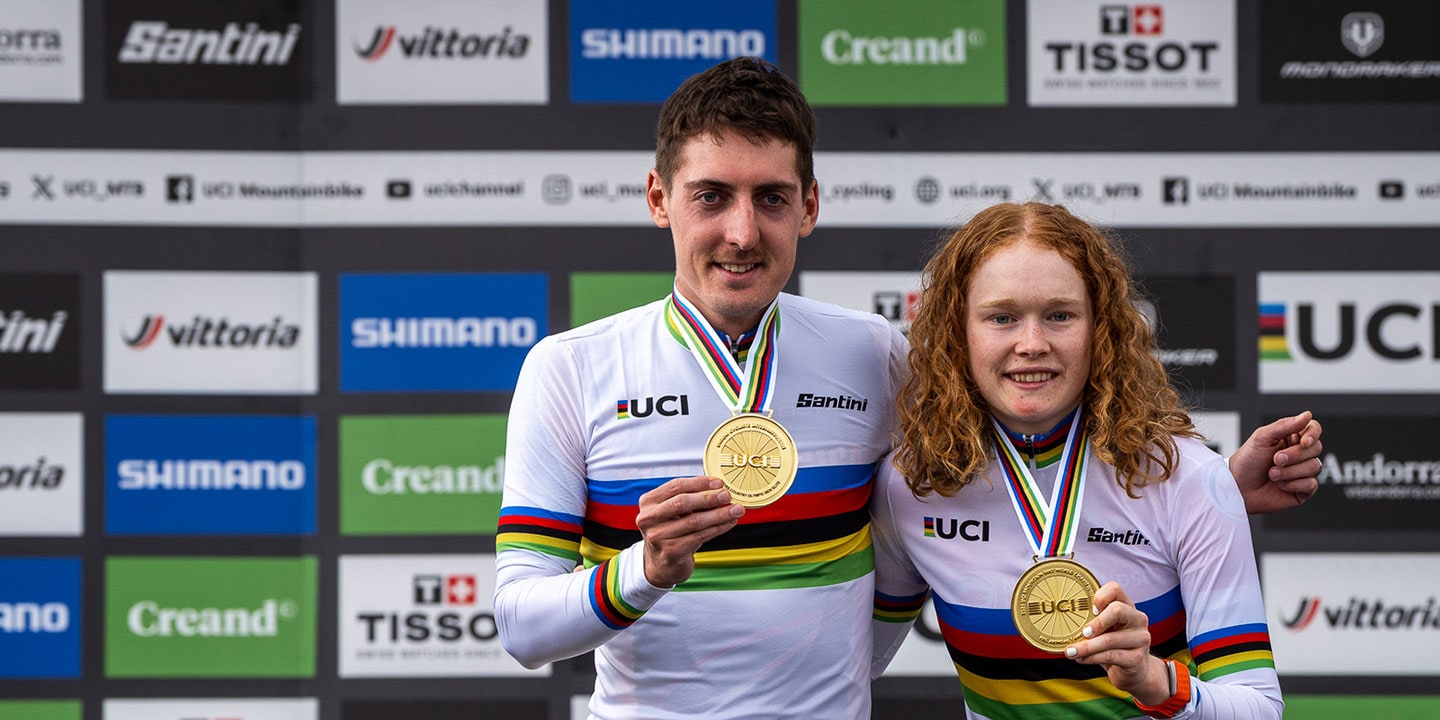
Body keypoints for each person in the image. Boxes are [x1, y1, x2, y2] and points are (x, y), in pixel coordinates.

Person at [494, 58, 1320, 720]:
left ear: (808, 206)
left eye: (771, 198)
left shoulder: (873, 354)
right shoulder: (569, 369)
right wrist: (644, 569)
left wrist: (1209, 490)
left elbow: (1008, 463)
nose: (741, 232)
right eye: (711, 196)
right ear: (658, 198)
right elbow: (524, 629)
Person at [871, 201, 1284, 719]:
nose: (1032, 344)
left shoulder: (1189, 479)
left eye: (1060, 316)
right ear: (959, 331)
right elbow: (845, 661)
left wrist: (1156, 680)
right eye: (1002, 317)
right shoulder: (914, 484)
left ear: (1101, 328)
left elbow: (1259, 709)